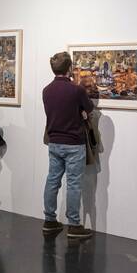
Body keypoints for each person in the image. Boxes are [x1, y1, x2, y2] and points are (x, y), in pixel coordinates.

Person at [43, 51, 94, 239]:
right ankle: (73, 225)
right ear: (69, 68)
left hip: (54, 142)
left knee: (52, 181)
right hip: (74, 143)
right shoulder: (77, 90)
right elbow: (89, 108)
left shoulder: (46, 90)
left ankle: (49, 221)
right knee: (73, 184)